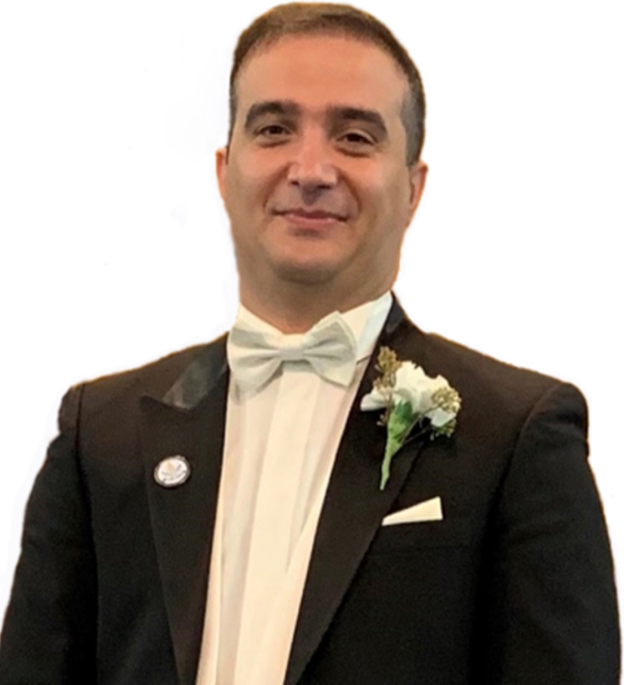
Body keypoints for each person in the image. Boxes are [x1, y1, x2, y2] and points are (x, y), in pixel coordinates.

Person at [0, 3, 619, 684]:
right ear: (225, 171)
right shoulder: (101, 435)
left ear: (413, 188)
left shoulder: (516, 435)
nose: (312, 168)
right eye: (274, 129)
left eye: (354, 137)